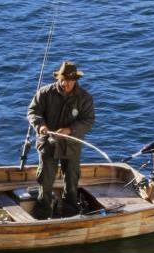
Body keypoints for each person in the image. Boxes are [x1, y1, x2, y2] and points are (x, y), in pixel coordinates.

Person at [26, 61, 95, 218]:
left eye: (70, 80)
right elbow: (33, 112)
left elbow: (88, 121)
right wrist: (41, 126)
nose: (66, 84)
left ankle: (70, 212)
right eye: (63, 80)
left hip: (71, 145)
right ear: (58, 78)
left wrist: (70, 130)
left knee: (71, 180)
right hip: (48, 144)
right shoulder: (44, 93)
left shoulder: (85, 98)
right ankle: (43, 213)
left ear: (75, 80)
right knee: (45, 180)